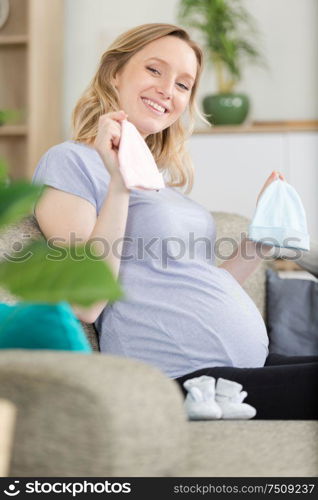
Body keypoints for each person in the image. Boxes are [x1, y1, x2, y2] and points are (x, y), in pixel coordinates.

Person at [32, 23, 318, 419]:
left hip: (236, 371)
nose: (168, 89)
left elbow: (190, 283)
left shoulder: (160, 180)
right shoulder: (71, 161)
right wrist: (118, 184)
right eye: (154, 70)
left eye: (184, 84)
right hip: (181, 379)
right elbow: (86, 302)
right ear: (114, 73)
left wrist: (258, 241)